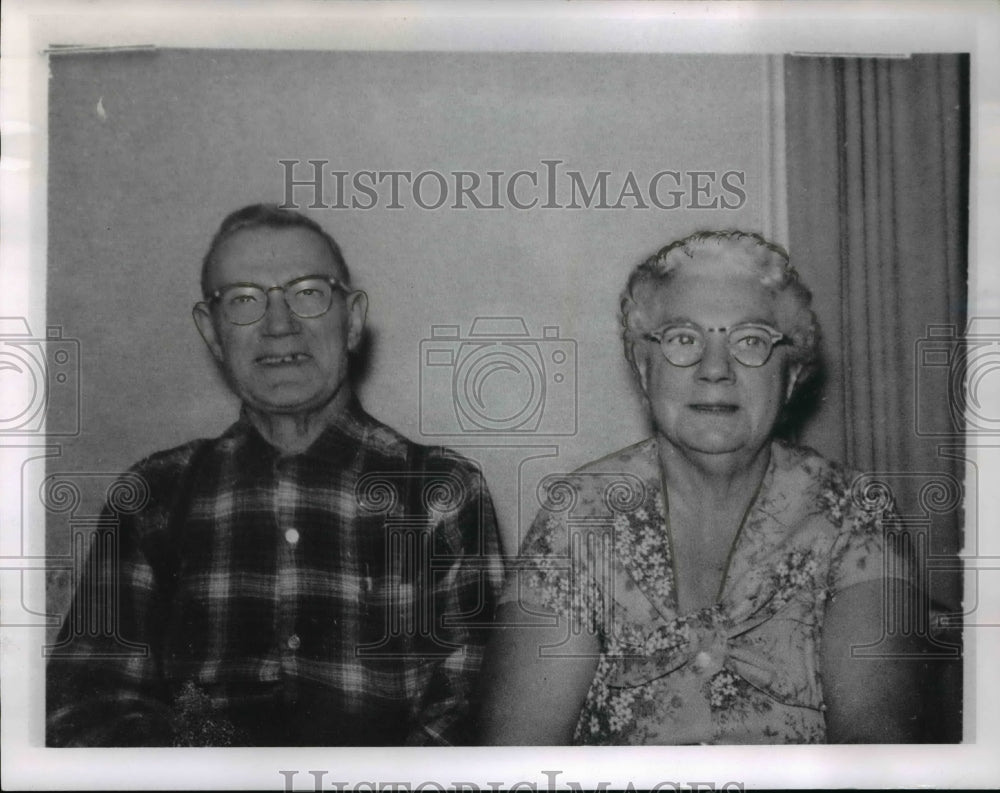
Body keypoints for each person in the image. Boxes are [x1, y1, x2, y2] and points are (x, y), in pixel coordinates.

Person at [46, 204, 504, 746]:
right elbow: (89, 705)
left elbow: (464, 717)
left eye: (308, 293)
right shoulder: (152, 497)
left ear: (352, 319)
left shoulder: (441, 493)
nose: (278, 325)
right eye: (242, 300)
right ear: (212, 334)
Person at [478, 230, 928, 745]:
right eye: (684, 339)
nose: (715, 370)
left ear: (792, 373)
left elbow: (878, 753)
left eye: (751, 341)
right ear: (644, 368)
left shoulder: (852, 513)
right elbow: (513, 760)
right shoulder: (579, 516)